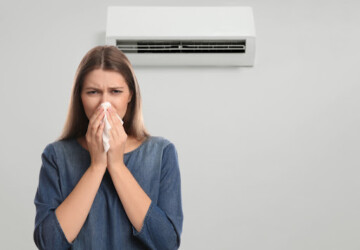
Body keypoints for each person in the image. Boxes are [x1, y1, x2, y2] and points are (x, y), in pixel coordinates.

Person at [33, 45, 183, 249]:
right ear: (80, 97)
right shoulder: (56, 156)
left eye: (115, 92)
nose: (105, 104)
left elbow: (166, 243)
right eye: (93, 92)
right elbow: (49, 244)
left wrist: (117, 165)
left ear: (130, 95)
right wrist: (96, 166)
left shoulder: (161, 152)